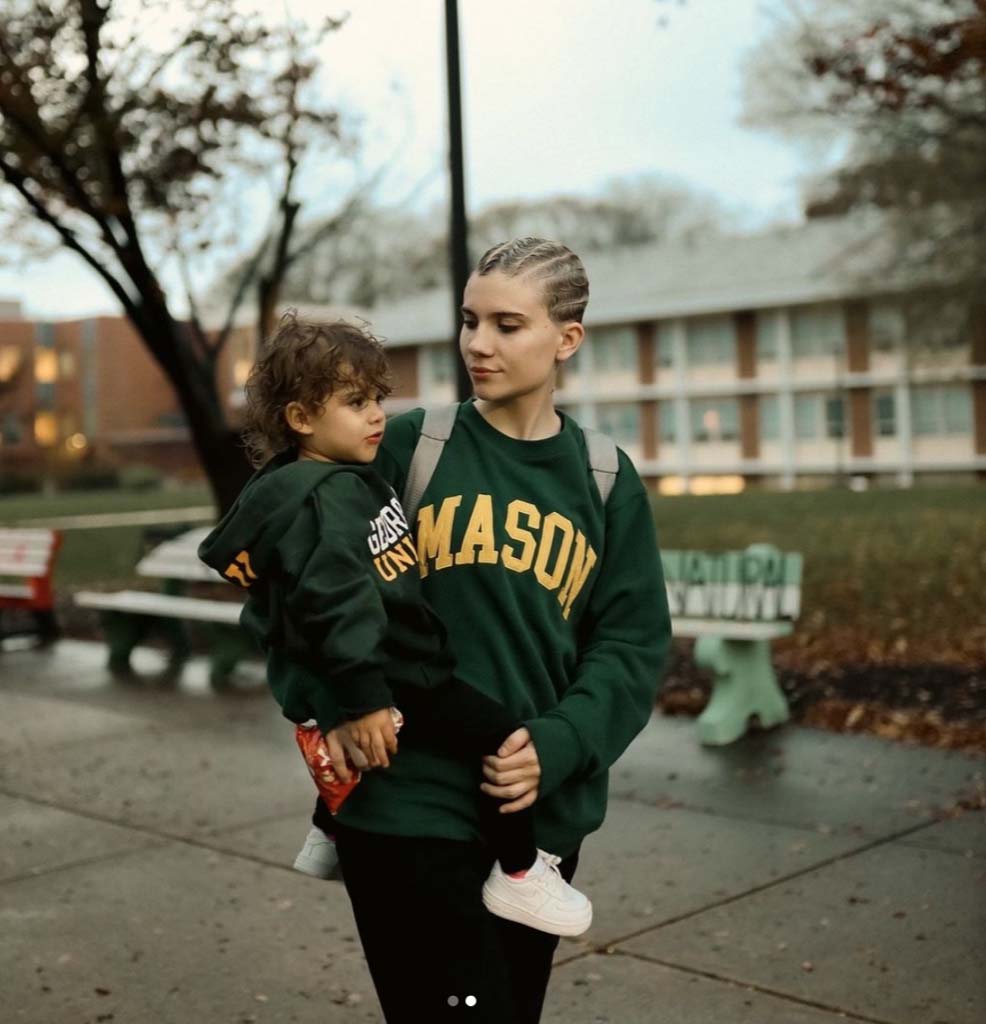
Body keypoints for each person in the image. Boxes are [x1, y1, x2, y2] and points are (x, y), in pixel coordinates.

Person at [329, 238, 672, 1023]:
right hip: (405, 800)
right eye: (470, 320)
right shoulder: (412, 446)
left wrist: (556, 746)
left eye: (508, 325)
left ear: (567, 339)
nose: (478, 344)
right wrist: (336, 703)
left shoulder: (605, 478)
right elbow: (305, 589)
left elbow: (629, 645)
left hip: (537, 816)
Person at [197, 312, 593, 939]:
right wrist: (363, 695)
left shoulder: (326, 482)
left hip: (388, 668)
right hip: (398, 672)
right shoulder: (329, 498)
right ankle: (519, 873)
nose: (378, 414)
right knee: (502, 737)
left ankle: (328, 832)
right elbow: (335, 602)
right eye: (356, 403)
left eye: (378, 397)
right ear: (301, 419)